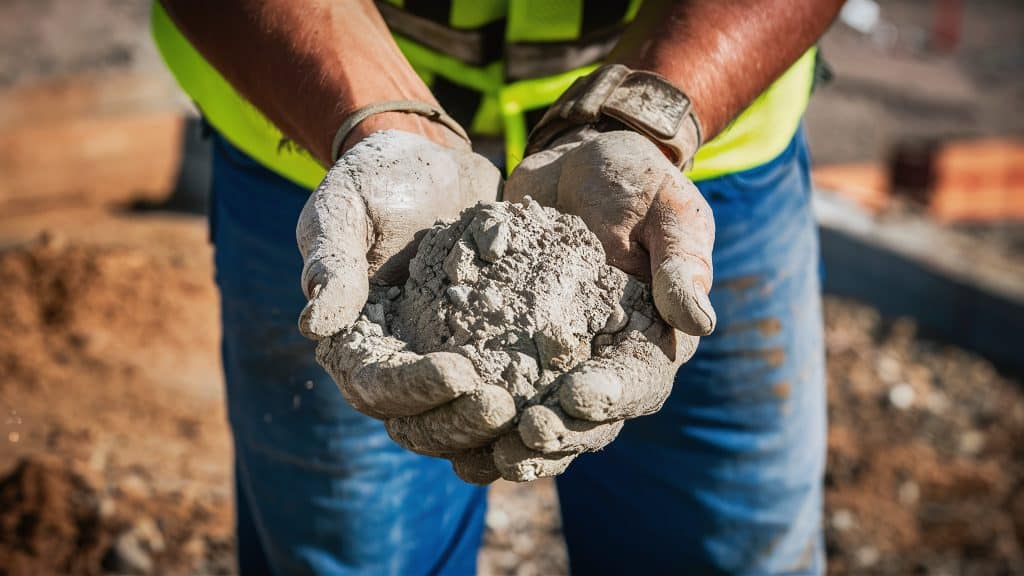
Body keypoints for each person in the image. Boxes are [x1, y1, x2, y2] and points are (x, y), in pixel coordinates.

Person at [152, 0, 844, 573]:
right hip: (331, 143)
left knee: (730, 548)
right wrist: (372, 121)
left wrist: (643, 120)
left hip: (680, 154)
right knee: (347, 554)